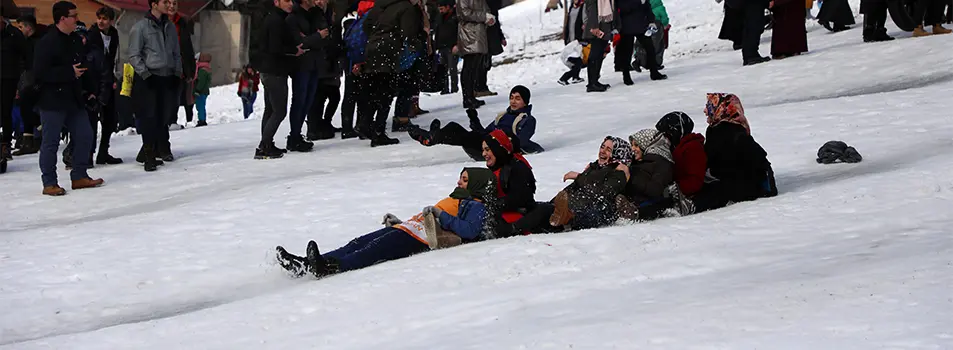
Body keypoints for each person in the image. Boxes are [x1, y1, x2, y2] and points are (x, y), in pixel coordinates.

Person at [275, 167, 499, 277]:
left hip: (419, 238)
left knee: (372, 250)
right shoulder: (457, 198)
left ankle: (330, 267)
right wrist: (399, 222)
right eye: (461, 177)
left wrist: (441, 216)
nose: (459, 181)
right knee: (356, 243)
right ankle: (307, 264)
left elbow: (469, 231)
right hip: (409, 228)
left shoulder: (476, 206)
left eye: (465, 179)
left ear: (478, 184)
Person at [33, 1, 105, 195]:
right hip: (52, 100)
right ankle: (49, 182)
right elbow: (39, 73)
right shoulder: (46, 42)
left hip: (74, 98)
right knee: (51, 142)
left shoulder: (75, 40)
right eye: (74, 16)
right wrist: (68, 72)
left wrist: (90, 90)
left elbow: (83, 66)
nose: (77, 19)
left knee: (85, 135)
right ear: (62, 18)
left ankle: (79, 175)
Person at [687, 93, 777, 213]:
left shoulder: (734, 133)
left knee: (715, 191)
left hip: (746, 184)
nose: (705, 111)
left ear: (722, 108)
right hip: (728, 178)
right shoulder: (716, 129)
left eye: (710, 107)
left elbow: (758, 160)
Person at [409, 85, 543, 159]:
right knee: (454, 126)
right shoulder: (503, 116)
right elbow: (484, 132)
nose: (513, 101)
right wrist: (475, 119)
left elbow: (521, 143)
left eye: (518, 98)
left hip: (496, 151)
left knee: (467, 136)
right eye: (512, 98)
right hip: (486, 144)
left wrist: (502, 143)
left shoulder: (527, 120)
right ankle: (432, 136)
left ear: (525, 101)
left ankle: (432, 137)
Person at [356, 0, 423, 147]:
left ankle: (365, 122)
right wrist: (417, 45)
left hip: (373, 48)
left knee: (374, 90)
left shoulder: (380, 5)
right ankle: (379, 132)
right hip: (389, 50)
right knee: (386, 93)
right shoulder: (405, 7)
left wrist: (377, 36)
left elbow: (366, 26)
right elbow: (408, 32)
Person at [128, 0, 183, 171]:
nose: (168, 5)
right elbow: (134, 55)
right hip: (149, 77)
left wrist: (177, 73)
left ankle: (153, 150)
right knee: (149, 116)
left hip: (167, 76)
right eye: (164, 2)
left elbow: (176, 53)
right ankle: (149, 154)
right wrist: (145, 74)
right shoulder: (141, 27)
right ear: (153, 4)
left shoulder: (170, 27)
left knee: (162, 116)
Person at [254, 0, 305, 159]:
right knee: (279, 110)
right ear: (277, 2)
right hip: (275, 71)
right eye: (286, 0)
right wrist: (294, 50)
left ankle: (267, 143)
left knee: (270, 109)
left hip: (268, 70)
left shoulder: (272, 18)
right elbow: (275, 47)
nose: (290, 4)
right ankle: (264, 146)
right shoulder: (276, 20)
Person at [549, 136, 632, 230]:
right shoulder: (594, 167)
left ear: (617, 154)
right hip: (575, 204)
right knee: (543, 210)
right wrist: (554, 202)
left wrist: (579, 176)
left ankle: (566, 219)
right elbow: (574, 188)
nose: (603, 151)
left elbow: (602, 192)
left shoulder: (619, 173)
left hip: (598, 210)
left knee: (588, 212)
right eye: (602, 147)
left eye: (608, 150)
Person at [285, 0, 324, 150]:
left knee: (308, 100)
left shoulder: (315, 14)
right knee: (300, 100)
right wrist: (316, 37)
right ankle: (294, 135)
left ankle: (297, 134)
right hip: (301, 64)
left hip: (314, 62)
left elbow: (325, 34)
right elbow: (299, 42)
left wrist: (312, 38)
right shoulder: (293, 17)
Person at [86, 7, 122, 164]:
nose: (101, 21)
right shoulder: (91, 35)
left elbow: (112, 57)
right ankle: (88, 154)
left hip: (108, 78)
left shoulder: (113, 34)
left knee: (110, 118)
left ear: (111, 21)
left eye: (105, 19)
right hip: (94, 80)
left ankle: (103, 151)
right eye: (99, 18)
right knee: (91, 119)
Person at [655, 111, 706, 215]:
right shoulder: (675, 147)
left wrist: (676, 188)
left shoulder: (692, 148)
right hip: (676, 190)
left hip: (688, 194)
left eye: (665, 135)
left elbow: (695, 180)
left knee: (658, 202)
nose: (663, 139)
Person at [617, 128, 674, 221]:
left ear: (646, 145)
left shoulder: (662, 163)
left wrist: (630, 178)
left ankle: (634, 212)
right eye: (632, 145)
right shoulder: (639, 160)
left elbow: (655, 190)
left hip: (652, 202)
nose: (633, 149)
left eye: (636, 145)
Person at [309, 0, 345, 140]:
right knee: (319, 97)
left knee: (332, 96)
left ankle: (323, 123)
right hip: (322, 62)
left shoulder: (328, 12)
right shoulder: (315, 15)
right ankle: (315, 127)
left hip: (329, 61)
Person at [11, 14, 43, 157]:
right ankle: (29, 139)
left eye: (21, 27)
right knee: (25, 108)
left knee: (29, 107)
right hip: (28, 80)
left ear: (29, 27)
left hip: (38, 80)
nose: (19, 30)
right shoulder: (25, 42)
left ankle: (36, 135)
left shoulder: (38, 43)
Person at [614, 0, 666, 85]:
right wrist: (638, 2)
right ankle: (626, 76)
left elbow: (647, 6)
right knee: (627, 52)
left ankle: (654, 72)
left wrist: (651, 20)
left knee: (650, 48)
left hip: (641, 25)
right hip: (627, 26)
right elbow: (623, 8)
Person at [1, 8, 29, 162]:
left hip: (9, 78)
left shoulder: (14, 34)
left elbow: (25, 57)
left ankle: (5, 144)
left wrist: (21, 80)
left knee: (6, 111)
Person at [457, 0, 494, 108]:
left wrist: (489, 17)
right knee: (469, 66)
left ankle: (471, 96)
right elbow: (464, 13)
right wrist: (484, 16)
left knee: (474, 67)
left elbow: (485, 9)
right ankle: (467, 98)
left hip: (478, 33)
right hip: (469, 34)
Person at [169, 0, 197, 128]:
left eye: (174, 3)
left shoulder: (182, 22)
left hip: (179, 67)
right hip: (161, 66)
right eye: (168, 3)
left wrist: (190, 68)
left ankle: (172, 121)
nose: (171, 6)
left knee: (176, 96)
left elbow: (188, 47)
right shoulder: (157, 22)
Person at [435, 0, 459, 95]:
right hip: (441, 46)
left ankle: (454, 88)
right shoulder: (439, 18)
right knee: (443, 69)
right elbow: (437, 31)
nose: (440, 11)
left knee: (452, 68)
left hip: (451, 46)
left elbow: (459, 32)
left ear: (448, 7)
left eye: (442, 8)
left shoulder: (455, 17)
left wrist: (457, 44)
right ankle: (444, 88)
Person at [193, 52, 211, 126]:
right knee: (201, 106)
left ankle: (202, 120)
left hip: (201, 92)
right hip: (204, 91)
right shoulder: (206, 69)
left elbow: (201, 81)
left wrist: (197, 90)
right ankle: (202, 119)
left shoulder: (202, 70)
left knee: (200, 106)